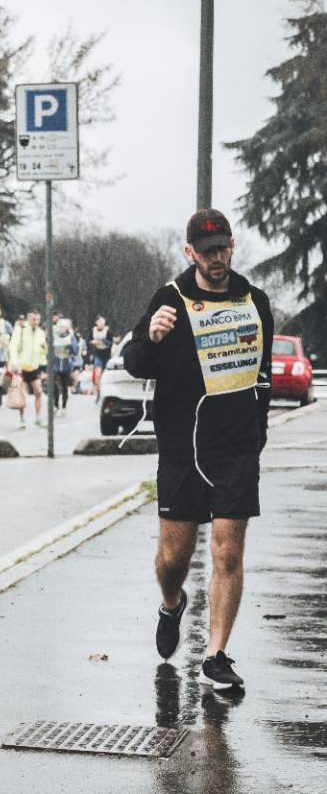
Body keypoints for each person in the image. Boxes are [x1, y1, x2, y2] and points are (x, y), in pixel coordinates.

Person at [122, 209, 273, 691]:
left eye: (222, 248)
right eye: (207, 252)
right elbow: (133, 361)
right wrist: (152, 337)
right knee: (174, 559)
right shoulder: (170, 298)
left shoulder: (254, 301)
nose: (216, 258)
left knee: (228, 551)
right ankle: (172, 603)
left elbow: (263, 375)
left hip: (235, 446)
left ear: (232, 246)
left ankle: (216, 654)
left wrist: (257, 435)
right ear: (190, 252)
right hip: (182, 446)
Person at [9, 309, 47, 428]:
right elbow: (13, 346)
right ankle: (22, 419)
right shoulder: (20, 329)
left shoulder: (41, 332)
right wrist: (14, 364)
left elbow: (43, 352)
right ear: (28, 319)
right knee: (22, 394)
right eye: (34, 319)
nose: (36, 322)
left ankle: (38, 418)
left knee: (39, 392)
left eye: (38, 319)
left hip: (34, 367)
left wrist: (44, 349)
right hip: (21, 367)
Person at [51, 316, 76, 414]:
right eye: (60, 327)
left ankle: (64, 407)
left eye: (63, 327)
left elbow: (75, 351)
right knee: (55, 386)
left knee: (65, 386)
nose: (61, 329)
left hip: (66, 365)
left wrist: (70, 346)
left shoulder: (71, 337)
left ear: (67, 328)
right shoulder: (54, 336)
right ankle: (56, 405)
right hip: (56, 364)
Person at [90, 315, 112, 393]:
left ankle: (105, 389)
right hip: (97, 354)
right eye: (99, 322)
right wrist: (92, 342)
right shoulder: (93, 330)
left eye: (102, 322)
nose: (101, 324)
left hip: (107, 354)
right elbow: (89, 340)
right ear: (96, 322)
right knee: (98, 373)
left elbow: (110, 343)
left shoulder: (108, 331)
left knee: (106, 373)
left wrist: (104, 340)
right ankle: (97, 389)